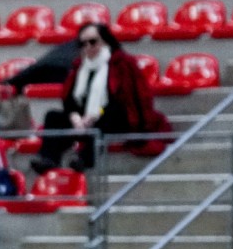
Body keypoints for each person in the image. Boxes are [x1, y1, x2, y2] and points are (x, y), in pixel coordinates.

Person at [31, 22, 171, 173]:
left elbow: (125, 100)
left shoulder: (122, 63)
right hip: (84, 119)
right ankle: (48, 159)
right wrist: (75, 117)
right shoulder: (80, 66)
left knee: (110, 113)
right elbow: (70, 100)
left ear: (105, 41)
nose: (88, 47)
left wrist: (95, 115)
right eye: (83, 44)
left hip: (112, 117)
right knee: (52, 116)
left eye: (93, 42)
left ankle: (84, 158)